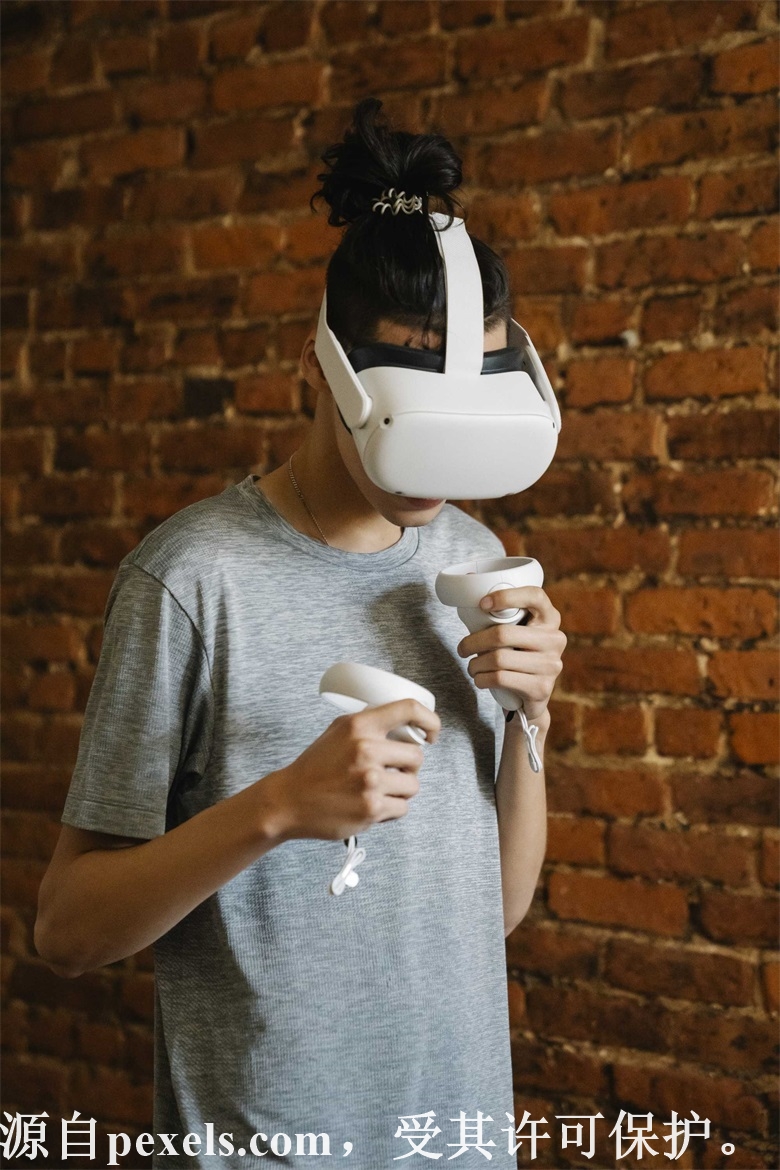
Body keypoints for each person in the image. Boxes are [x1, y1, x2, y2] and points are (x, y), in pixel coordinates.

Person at [35, 97, 565, 1169]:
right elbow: (69, 931)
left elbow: (496, 911)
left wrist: (531, 721)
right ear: (319, 373)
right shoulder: (192, 579)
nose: (437, 467)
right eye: (413, 419)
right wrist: (277, 807)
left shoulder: (473, 556)